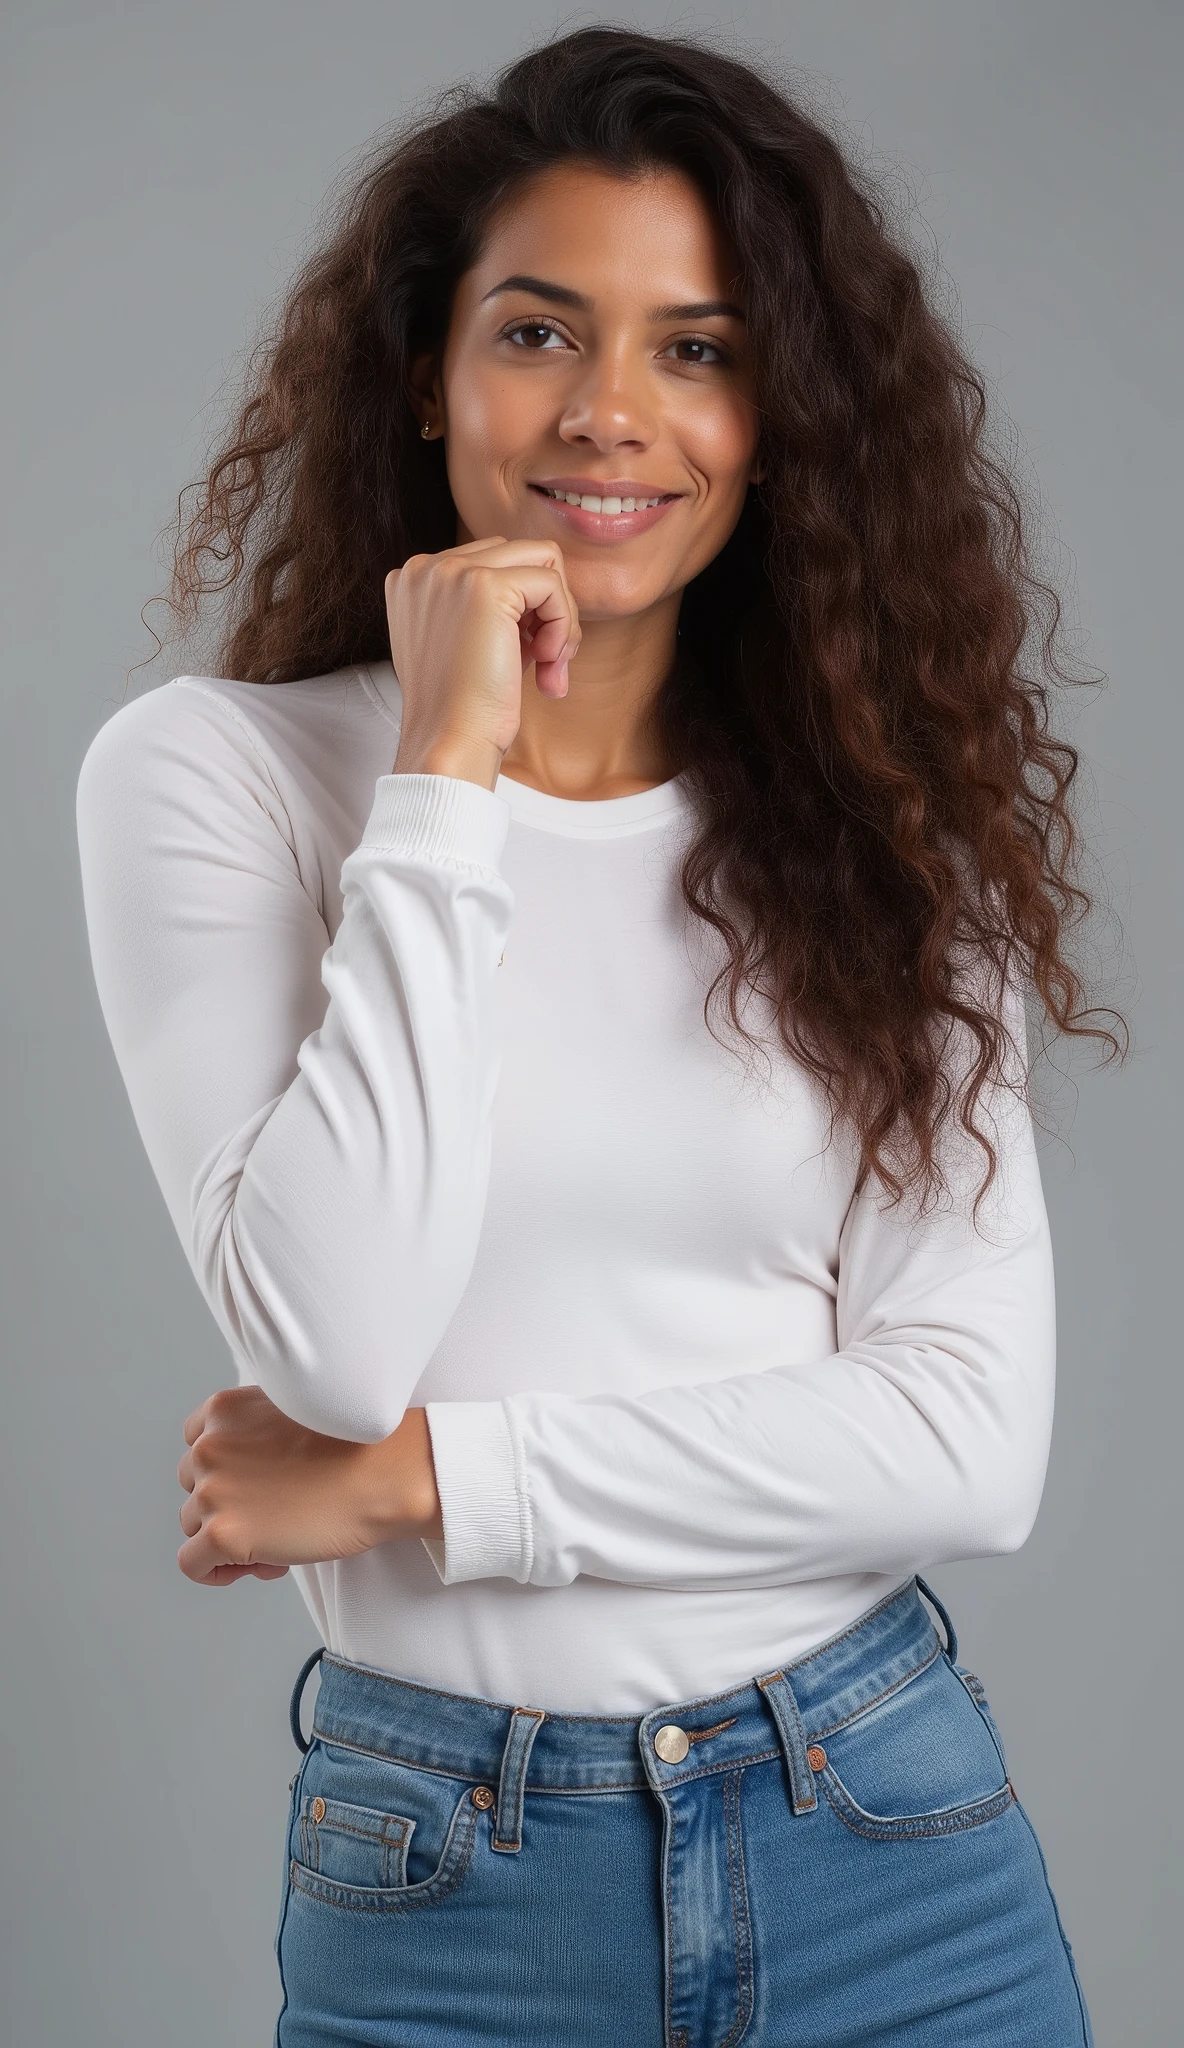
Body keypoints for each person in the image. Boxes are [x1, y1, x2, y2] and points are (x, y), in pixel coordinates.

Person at [74, 25, 1115, 2047]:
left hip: (886, 1840)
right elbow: (332, 1340)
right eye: (540, 331)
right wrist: (447, 768)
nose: (609, 412)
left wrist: (422, 1482)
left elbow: (967, 1442)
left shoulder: (881, 841)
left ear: (775, 417)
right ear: (427, 372)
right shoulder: (216, 780)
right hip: (447, 1882)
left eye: (696, 350)